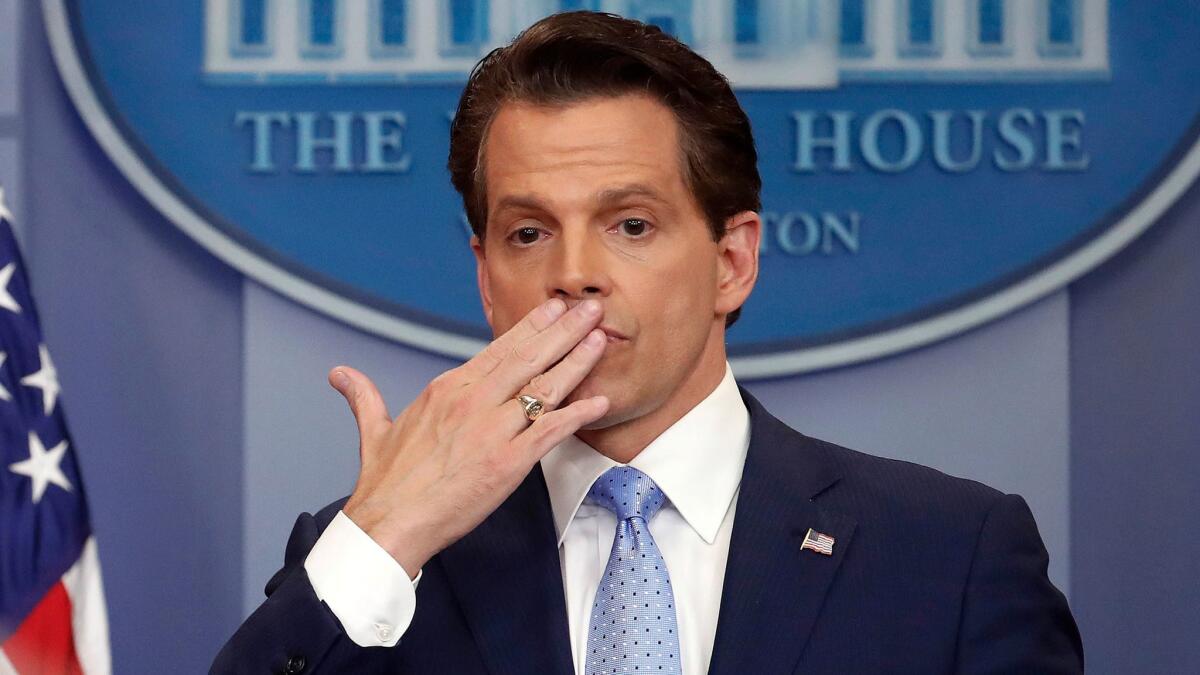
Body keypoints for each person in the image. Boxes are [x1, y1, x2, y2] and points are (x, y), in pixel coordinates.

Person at [212, 11, 1082, 674]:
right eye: (527, 233)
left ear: (732, 261)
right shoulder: (375, 556)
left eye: (630, 223)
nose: (576, 272)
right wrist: (390, 529)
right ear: (485, 279)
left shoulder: (948, 552)